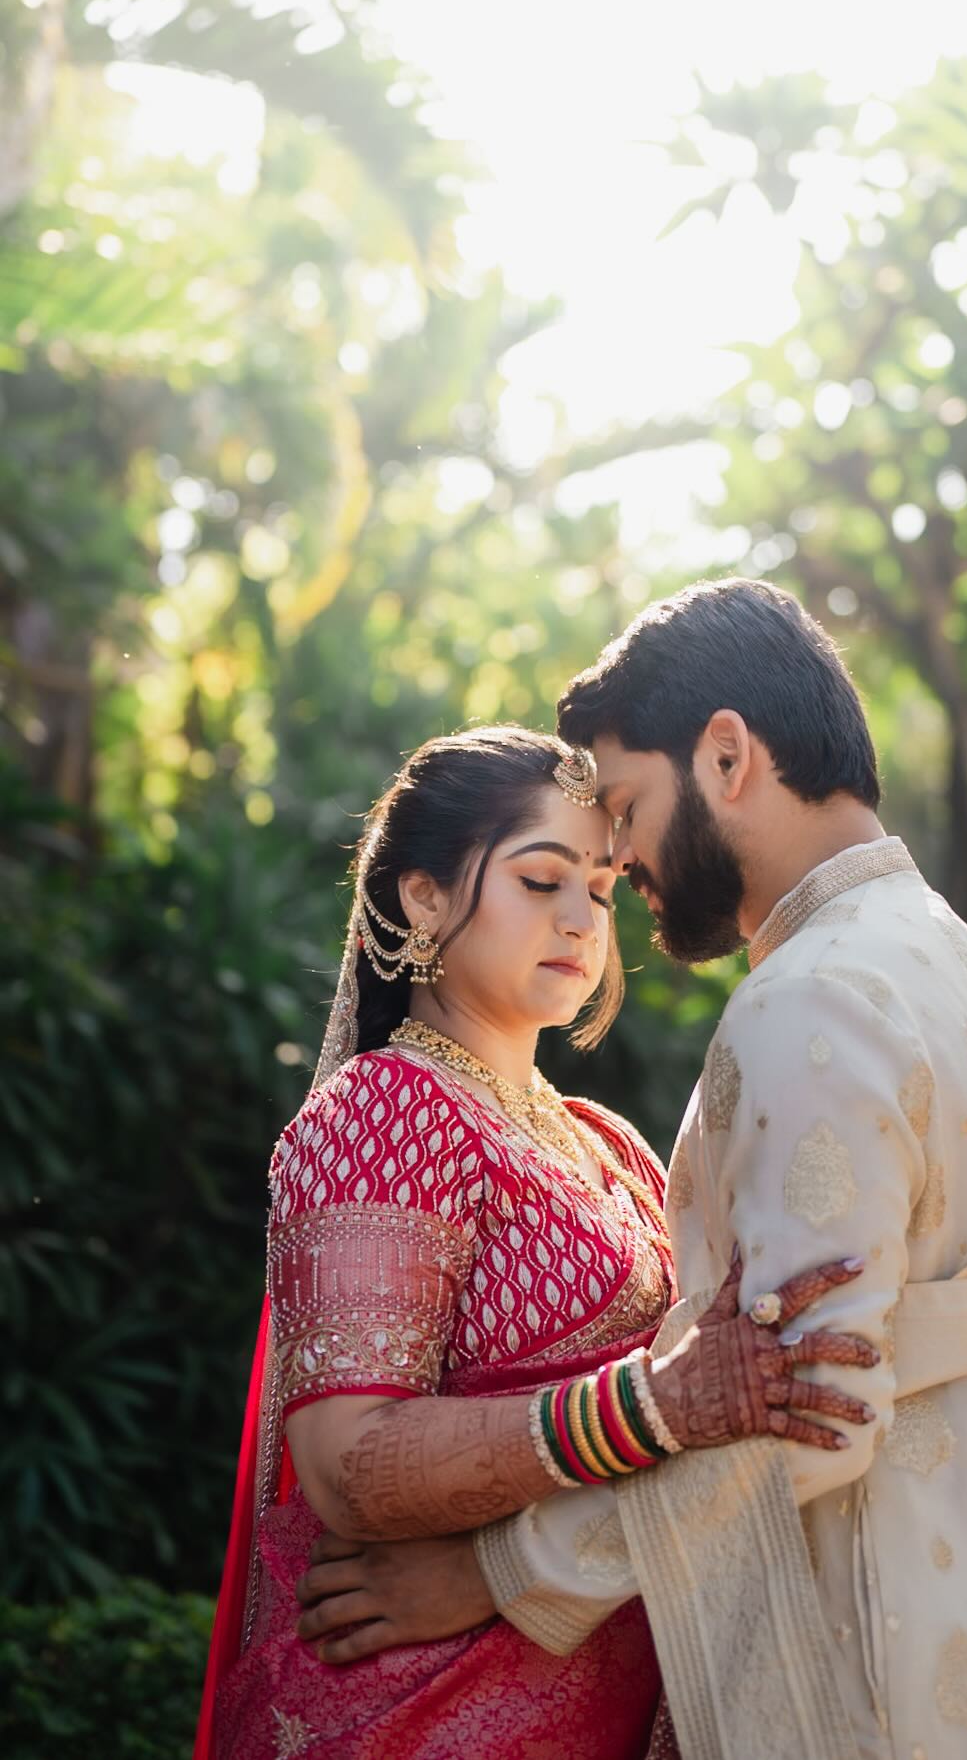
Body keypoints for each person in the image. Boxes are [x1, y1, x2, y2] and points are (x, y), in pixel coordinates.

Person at [299, 584, 967, 1760]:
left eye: (620, 813)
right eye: (549, 868)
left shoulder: (812, 998)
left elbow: (804, 1411)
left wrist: (503, 1568)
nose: (615, 859)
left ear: (724, 755)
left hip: (888, 1687)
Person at [195, 723, 877, 1760]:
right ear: (423, 896)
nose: (579, 919)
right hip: (412, 1716)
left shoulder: (604, 1140)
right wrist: (655, 1403)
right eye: (540, 879)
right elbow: (350, 1465)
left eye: (600, 890)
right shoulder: (384, 1113)